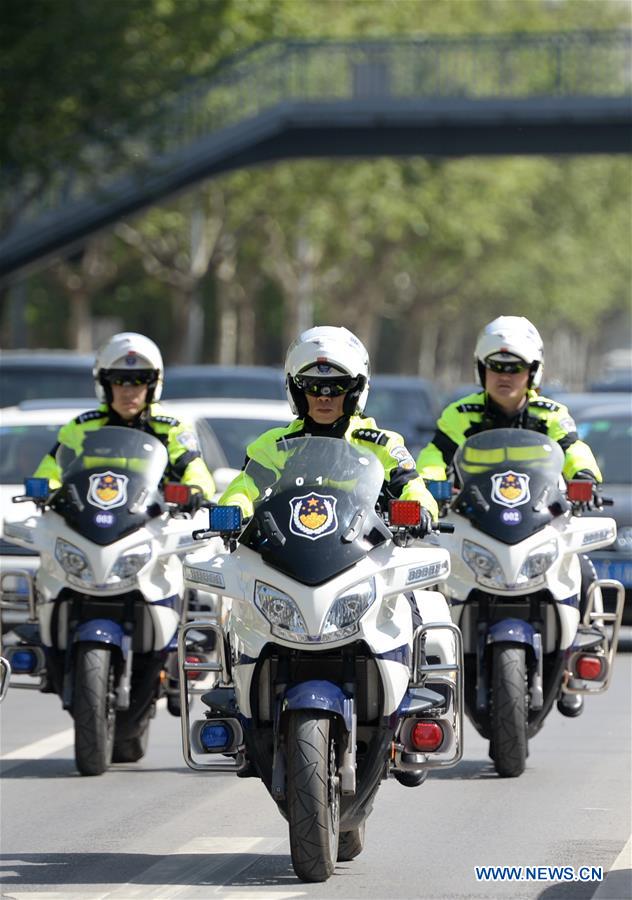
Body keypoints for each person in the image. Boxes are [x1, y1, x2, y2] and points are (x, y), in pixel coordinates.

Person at [416, 315, 603, 718]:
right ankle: (428, 671)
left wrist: (585, 477)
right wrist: (430, 482)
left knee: (584, 571)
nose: (504, 376)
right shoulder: (460, 414)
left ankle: (574, 665)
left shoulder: (551, 414)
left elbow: (574, 450)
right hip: (476, 521)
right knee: (428, 582)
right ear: (481, 369)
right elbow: (434, 455)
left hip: (538, 520)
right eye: (496, 367)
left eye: (514, 367)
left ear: (532, 372)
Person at [220, 324, 438, 527]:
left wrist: (422, 509)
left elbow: (412, 486)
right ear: (296, 391)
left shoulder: (381, 445)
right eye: (313, 386)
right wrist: (235, 507)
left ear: (355, 391)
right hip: (283, 549)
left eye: (336, 387)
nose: (324, 397)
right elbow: (244, 487)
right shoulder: (274, 446)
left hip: (366, 548)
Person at [33, 331, 215, 500]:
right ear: (105, 385)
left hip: (155, 518)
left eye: (139, 380)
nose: (128, 392)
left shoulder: (172, 429)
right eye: (118, 381)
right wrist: (50, 489)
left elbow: (196, 472)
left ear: (152, 385)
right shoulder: (81, 427)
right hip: (87, 518)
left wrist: (194, 491)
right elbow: (50, 471)